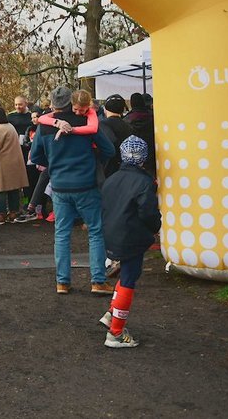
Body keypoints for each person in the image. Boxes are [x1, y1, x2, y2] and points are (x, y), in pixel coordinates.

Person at [29, 87, 115, 295]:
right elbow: (109, 150)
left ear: (53, 104)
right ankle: (98, 281)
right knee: (95, 231)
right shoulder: (86, 121)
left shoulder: (45, 127)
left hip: (59, 186)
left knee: (62, 234)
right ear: (72, 102)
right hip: (86, 185)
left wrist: (53, 163)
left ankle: (63, 282)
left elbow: (35, 156)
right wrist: (95, 159)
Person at [99, 135, 161, 348]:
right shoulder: (145, 183)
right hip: (131, 237)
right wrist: (156, 227)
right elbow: (148, 213)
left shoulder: (112, 179)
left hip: (111, 234)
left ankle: (111, 313)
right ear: (144, 158)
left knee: (127, 274)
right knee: (128, 279)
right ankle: (115, 333)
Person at [0, 107, 29, 224]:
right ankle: (13, 213)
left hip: (2, 162)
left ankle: (1, 214)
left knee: (1, 189)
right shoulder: (10, 126)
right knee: (13, 189)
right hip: (14, 162)